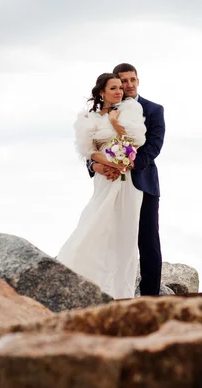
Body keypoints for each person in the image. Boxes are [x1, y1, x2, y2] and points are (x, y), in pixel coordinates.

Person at [56, 73, 147, 299]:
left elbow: (136, 141)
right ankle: (84, 280)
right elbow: (89, 151)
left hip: (127, 182)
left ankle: (122, 293)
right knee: (97, 224)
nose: (119, 91)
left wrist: (116, 124)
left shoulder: (130, 111)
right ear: (101, 93)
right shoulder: (90, 119)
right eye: (114, 88)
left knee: (126, 233)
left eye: (120, 88)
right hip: (105, 177)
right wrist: (109, 164)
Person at [88, 63, 165, 296]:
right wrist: (97, 165)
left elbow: (153, 147)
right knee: (108, 237)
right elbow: (90, 146)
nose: (128, 85)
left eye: (132, 80)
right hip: (109, 184)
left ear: (138, 81)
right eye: (123, 81)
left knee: (147, 240)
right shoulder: (103, 113)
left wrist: (126, 164)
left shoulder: (153, 109)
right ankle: (107, 292)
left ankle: (150, 298)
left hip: (143, 184)